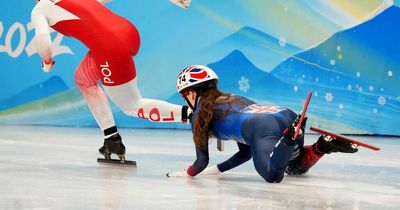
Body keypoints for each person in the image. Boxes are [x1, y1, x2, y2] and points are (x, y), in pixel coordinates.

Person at [31, 0, 192, 161]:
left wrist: (46, 63)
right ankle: (111, 137)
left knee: (132, 105)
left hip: (110, 47)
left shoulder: (40, 9)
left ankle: (197, 115)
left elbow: (43, 39)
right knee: (82, 79)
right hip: (128, 32)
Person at [166, 65, 358, 183]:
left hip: (261, 127)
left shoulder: (198, 116)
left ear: (189, 93)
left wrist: (188, 173)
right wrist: (218, 170)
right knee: (293, 166)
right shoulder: (234, 97)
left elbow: (201, 162)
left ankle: (289, 138)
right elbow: (246, 152)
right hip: (285, 114)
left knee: (273, 175)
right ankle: (321, 146)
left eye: (184, 97)